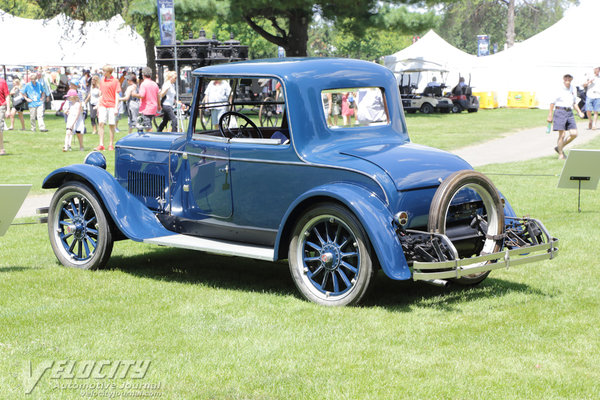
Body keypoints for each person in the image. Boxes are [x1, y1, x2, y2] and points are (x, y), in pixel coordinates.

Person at [547, 74, 585, 160]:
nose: (567, 79)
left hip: (569, 112)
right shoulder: (558, 88)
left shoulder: (573, 88)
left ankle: (559, 147)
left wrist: (579, 112)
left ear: (572, 79)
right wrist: (550, 115)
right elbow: (552, 102)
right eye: (566, 77)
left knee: (574, 134)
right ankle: (561, 154)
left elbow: (574, 102)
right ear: (563, 79)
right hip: (560, 111)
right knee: (562, 135)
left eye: (569, 77)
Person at [96, 65, 121, 151]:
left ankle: (110, 144)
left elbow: (117, 94)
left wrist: (116, 107)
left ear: (109, 72)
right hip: (103, 104)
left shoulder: (115, 81)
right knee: (101, 123)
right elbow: (101, 94)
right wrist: (99, 106)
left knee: (111, 124)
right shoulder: (102, 81)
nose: (103, 73)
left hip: (111, 105)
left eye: (104, 71)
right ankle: (101, 144)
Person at [132, 66, 160, 132]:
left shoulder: (144, 84)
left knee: (148, 126)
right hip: (152, 107)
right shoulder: (154, 84)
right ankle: (140, 138)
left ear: (143, 75)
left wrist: (134, 94)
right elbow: (158, 95)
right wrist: (159, 105)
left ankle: (150, 140)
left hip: (146, 108)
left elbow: (142, 95)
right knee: (140, 126)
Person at [0, 75, 9, 155]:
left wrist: (8, 109)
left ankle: (1, 148)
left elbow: (7, 95)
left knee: (0, 128)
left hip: (1, 106)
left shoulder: (2, 82)